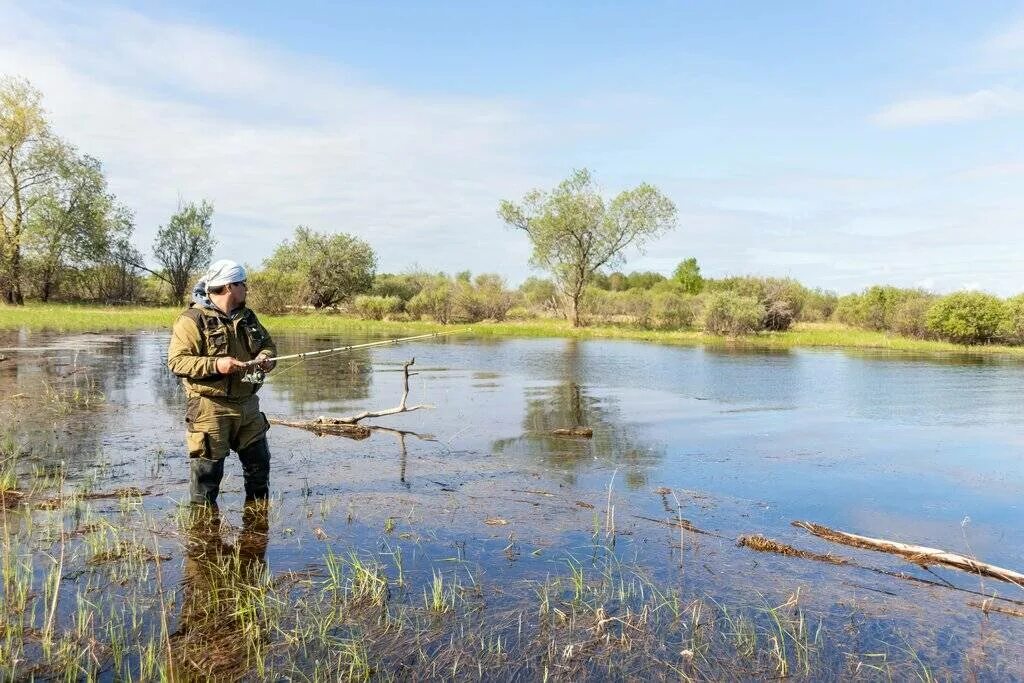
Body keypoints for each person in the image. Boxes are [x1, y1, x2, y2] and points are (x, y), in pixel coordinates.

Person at [167, 259, 277, 508]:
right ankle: (202, 542)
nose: (246, 288)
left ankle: (257, 536)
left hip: (248, 408)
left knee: (259, 472)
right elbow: (177, 362)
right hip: (209, 409)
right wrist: (218, 365)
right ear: (229, 287)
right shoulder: (191, 320)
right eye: (242, 284)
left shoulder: (248, 317)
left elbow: (268, 345)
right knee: (206, 485)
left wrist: (265, 358)